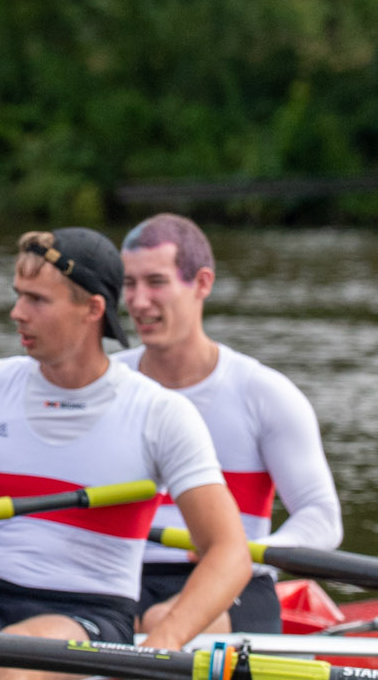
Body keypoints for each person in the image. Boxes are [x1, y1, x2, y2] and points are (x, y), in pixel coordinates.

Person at [0, 228, 249, 680]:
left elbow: (230, 554)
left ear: (92, 310)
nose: (17, 312)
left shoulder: (159, 413)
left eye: (37, 300)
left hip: (92, 615)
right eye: (18, 296)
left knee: (12, 664)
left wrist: (162, 645)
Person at [115, 214, 340, 635]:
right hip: (121, 577)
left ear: (202, 283)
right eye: (129, 284)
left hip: (235, 580)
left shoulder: (265, 394)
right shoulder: (107, 385)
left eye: (156, 282)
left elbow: (322, 517)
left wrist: (246, 553)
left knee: (163, 622)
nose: (139, 301)